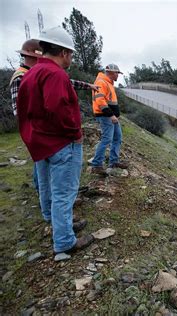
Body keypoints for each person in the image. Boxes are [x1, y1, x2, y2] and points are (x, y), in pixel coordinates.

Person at [16, 26, 94, 254]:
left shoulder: (30, 74)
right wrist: (75, 134)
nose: (70, 58)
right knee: (65, 192)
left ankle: (58, 222)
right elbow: (58, 109)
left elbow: (25, 111)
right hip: (61, 143)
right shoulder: (56, 74)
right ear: (64, 53)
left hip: (40, 143)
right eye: (70, 54)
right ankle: (65, 242)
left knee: (48, 188)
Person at [10, 39, 98, 192]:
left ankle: (47, 206)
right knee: (51, 182)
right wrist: (75, 133)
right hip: (44, 134)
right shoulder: (21, 77)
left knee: (45, 175)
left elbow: (65, 82)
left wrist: (87, 85)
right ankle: (48, 202)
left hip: (42, 134)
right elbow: (22, 111)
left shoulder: (36, 72)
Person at [89, 64, 128, 175]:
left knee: (117, 138)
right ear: (110, 72)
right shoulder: (101, 82)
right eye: (117, 73)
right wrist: (111, 115)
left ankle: (114, 162)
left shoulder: (108, 83)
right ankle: (96, 165)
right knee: (107, 139)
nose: (118, 75)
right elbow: (100, 101)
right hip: (105, 116)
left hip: (111, 117)